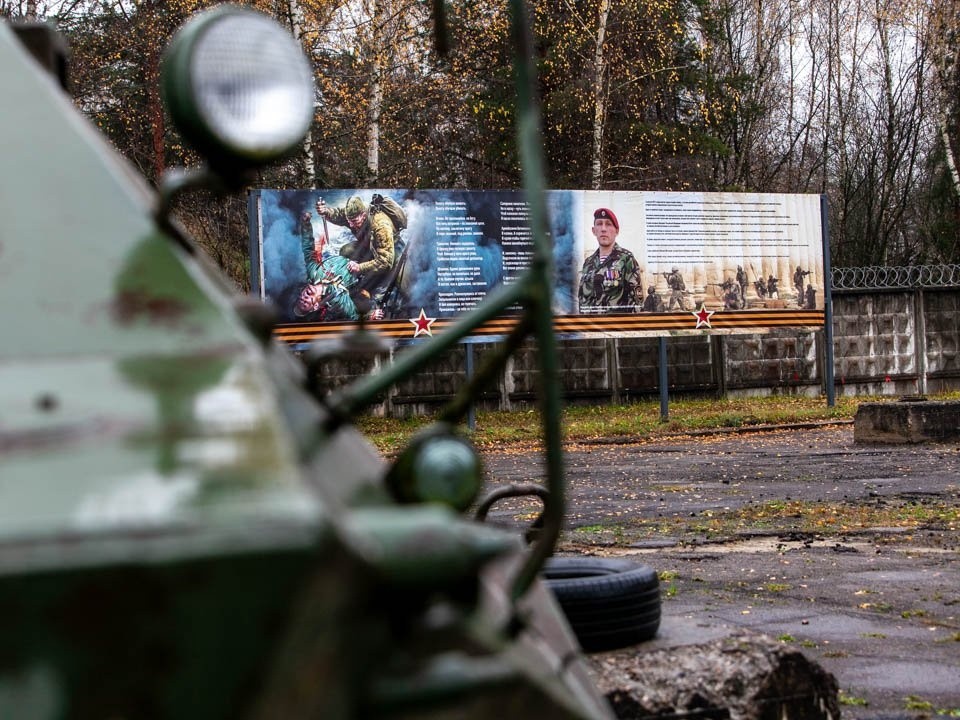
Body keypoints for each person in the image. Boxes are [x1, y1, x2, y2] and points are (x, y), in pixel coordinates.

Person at [316, 195, 397, 315]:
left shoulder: (380, 225)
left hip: (389, 252)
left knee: (391, 279)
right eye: (349, 221)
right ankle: (351, 281)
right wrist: (325, 212)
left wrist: (360, 267)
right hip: (369, 247)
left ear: (363, 215)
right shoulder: (353, 214)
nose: (351, 225)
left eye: (354, 221)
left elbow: (385, 261)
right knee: (346, 251)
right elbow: (338, 214)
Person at [293, 211, 359, 321]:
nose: (303, 298)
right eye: (305, 303)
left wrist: (306, 225)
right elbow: (354, 316)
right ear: (315, 306)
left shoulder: (313, 272)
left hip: (350, 253)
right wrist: (370, 316)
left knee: (346, 249)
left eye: (300, 298)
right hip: (366, 266)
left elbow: (308, 249)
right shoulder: (335, 298)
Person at [578, 207, 641, 312]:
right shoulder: (588, 263)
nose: (603, 229)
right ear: (594, 231)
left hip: (615, 326)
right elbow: (582, 299)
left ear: (617, 230)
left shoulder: (626, 259)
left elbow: (636, 305)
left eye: (608, 224)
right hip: (590, 327)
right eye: (599, 224)